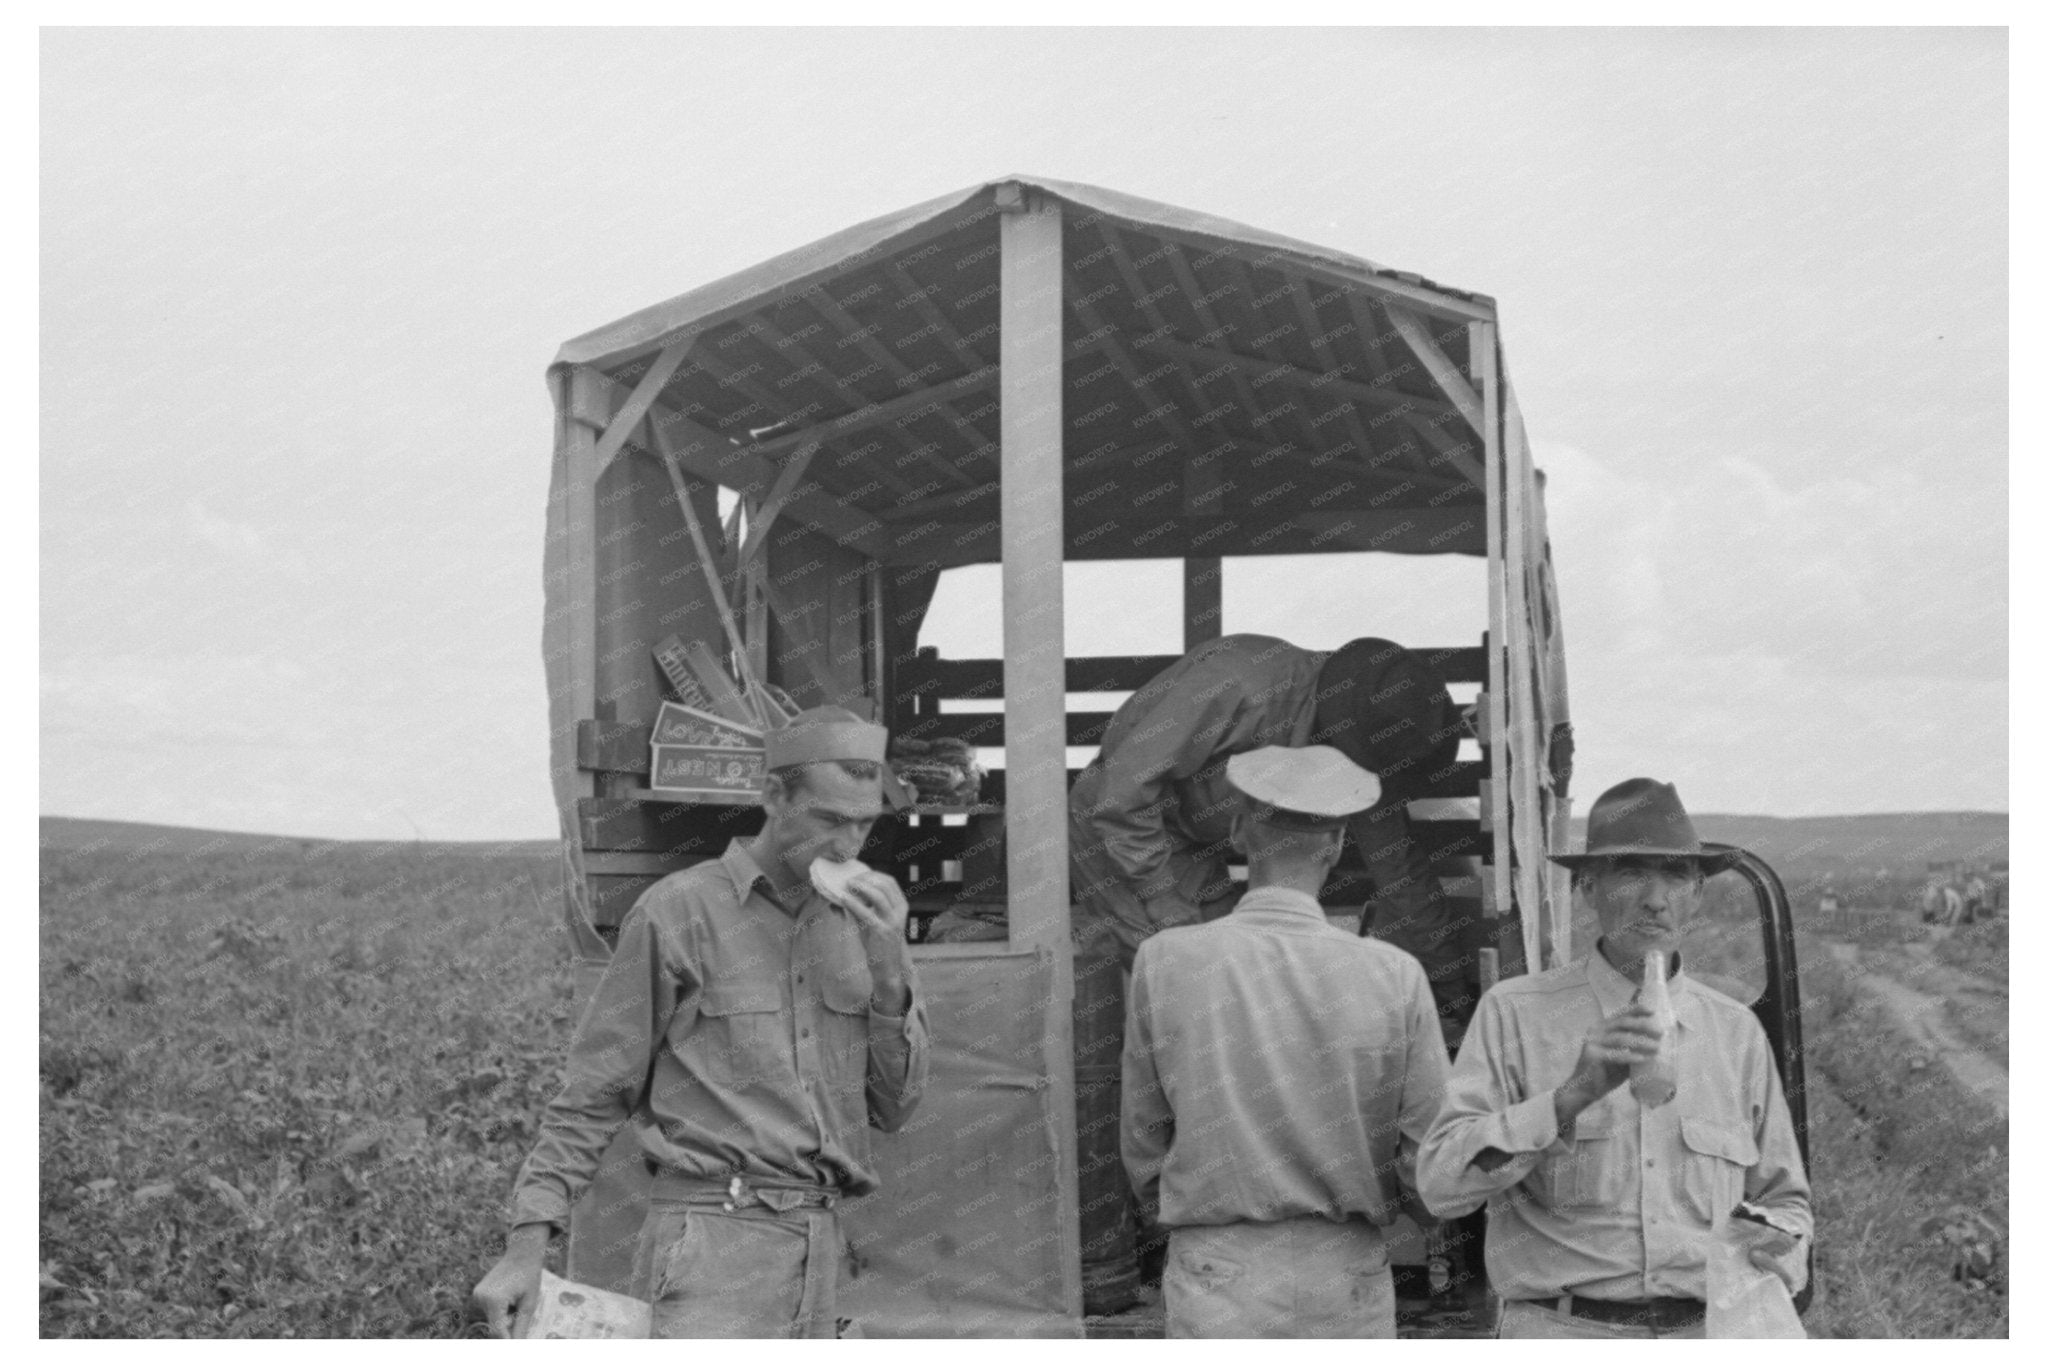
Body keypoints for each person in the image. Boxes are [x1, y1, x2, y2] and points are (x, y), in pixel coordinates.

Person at [471, 706, 929, 1339]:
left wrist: (890, 975)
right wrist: (526, 1248)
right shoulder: (677, 911)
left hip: (822, 1246)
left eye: (864, 824)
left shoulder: (869, 926)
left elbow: (896, 1109)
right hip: (712, 1240)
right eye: (828, 819)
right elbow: (595, 1094)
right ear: (774, 796)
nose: (848, 846)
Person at [1416, 777, 1812, 1340]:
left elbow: (1786, 1199)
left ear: (1697, 893)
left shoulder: (1735, 1032)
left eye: (1676, 875)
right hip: (1562, 1330)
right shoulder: (1516, 1014)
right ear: (1586, 888)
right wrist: (1571, 1096)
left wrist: (1775, 1245)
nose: (1656, 899)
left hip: (1706, 1331)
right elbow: (1441, 1185)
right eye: (1631, 872)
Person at [1120, 745, 1452, 1337]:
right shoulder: (1394, 974)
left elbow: (1144, 1136)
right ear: (1336, 843)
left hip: (1217, 1268)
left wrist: (1185, 1210)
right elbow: (1427, 1148)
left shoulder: (1166, 961)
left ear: (1241, 832)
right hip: (1346, 1268)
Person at [1070, 634, 1472, 1020]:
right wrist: (1164, 902)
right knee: (1189, 984)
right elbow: (1119, 798)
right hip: (1119, 828)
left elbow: (1398, 869)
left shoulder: (1363, 736)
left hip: (1195, 845)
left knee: (1241, 982)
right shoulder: (1238, 683)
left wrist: (1452, 987)